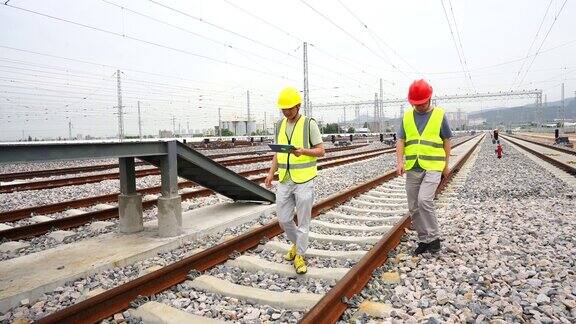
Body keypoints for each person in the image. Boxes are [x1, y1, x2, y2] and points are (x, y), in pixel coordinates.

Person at [264, 87, 325, 274]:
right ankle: (297, 244)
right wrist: (270, 173)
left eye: (289, 109)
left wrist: (303, 151)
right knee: (283, 220)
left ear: (298, 106)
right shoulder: (280, 125)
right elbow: (278, 153)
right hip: (285, 179)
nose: (286, 112)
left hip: (305, 179)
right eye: (283, 109)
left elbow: (321, 150)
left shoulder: (309, 124)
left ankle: (300, 254)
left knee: (304, 220)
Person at [395, 79, 452, 255]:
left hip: (433, 166)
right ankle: (424, 240)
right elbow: (401, 140)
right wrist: (399, 161)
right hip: (413, 166)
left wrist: (446, 165)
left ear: (429, 99)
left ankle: (434, 238)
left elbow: (447, 139)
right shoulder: (406, 117)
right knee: (413, 205)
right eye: (415, 104)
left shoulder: (439, 115)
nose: (418, 107)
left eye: (421, 103)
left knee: (424, 200)